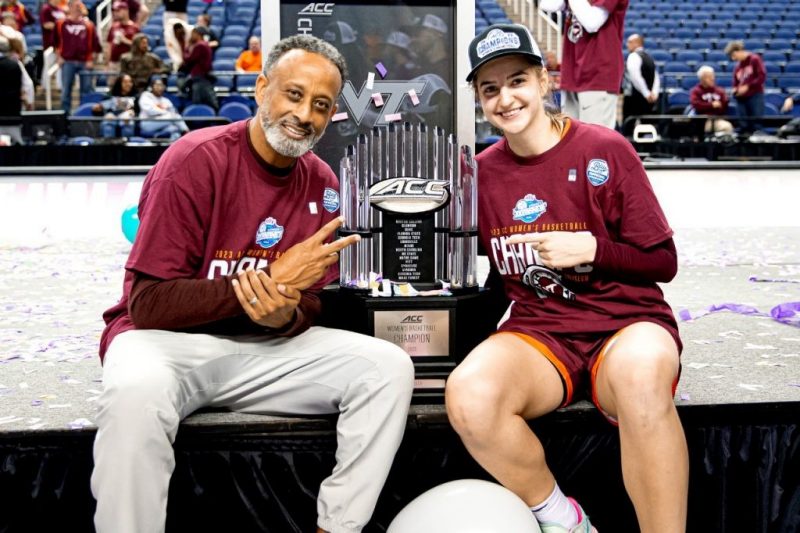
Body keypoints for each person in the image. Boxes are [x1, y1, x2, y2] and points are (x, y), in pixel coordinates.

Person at [91, 33, 414, 533]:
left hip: (261, 351)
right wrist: (264, 283)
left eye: (321, 105)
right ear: (263, 88)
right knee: (135, 390)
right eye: (294, 94)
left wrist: (285, 313)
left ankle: (338, 527)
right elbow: (149, 304)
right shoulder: (193, 160)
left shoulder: (324, 184)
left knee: (387, 368)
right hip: (166, 345)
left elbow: (310, 304)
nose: (305, 114)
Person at [447, 24, 687, 533]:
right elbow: (497, 279)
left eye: (517, 81)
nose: (506, 99)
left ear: (543, 81)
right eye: (490, 90)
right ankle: (566, 520)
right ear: (479, 100)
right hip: (544, 332)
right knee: (469, 393)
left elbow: (662, 260)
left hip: (626, 323)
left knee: (642, 379)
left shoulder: (605, 149)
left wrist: (595, 250)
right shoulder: (481, 173)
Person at [539, 0, 628, 129]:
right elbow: (547, 4)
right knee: (570, 138)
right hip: (572, 72)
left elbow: (592, 22)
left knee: (594, 140)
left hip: (598, 74)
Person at [54, 0, 100, 115]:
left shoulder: (88, 25)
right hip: (67, 61)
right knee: (66, 91)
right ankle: (65, 116)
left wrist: (91, 59)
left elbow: (96, 46)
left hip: (84, 61)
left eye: (80, 5)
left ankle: (84, 115)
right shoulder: (61, 23)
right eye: (76, 5)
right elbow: (55, 43)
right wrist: (58, 57)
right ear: (69, 7)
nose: (78, 8)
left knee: (86, 90)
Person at [724, 40, 766, 135]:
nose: (733, 58)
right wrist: (735, 89)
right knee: (744, 126)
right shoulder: (738, 67)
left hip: (755, 95)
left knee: (756, 124)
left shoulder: (754, 59)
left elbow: (761, 76)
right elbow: (735, 82)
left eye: (734, 55)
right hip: (741, 97)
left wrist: (748, 86)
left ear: (739, 50)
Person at [622, 33, 659, 137]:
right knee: (647, 125)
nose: (627, 45)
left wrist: (646, 93)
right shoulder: (649, 57)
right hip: (648, 99)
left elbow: (635, 77)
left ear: (636, 43)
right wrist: (654, 93)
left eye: (629, 42)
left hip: (634, 98)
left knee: (628, 125)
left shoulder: (633, 56)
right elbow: (656, 77)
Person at [137, 75, 187, 140]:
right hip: (147, 123)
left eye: (161, 85)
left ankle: (166, 143)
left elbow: (173, 111)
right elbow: (151, 111)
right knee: (174, 117)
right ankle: (186, 132)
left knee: (174, 130)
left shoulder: (165, 100)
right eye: (157, 85)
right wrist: (166, 113)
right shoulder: (146, 96)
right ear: (152, 86)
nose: (159, 88)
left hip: (163, 123)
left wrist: (166, 114)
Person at [179, 26, 217, 109]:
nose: (191, 35)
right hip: (202, 76)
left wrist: (185, 48)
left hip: (199, 76)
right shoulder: (205, 44)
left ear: (198, 34)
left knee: (198, 101)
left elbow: (188, 59)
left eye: (193, 33)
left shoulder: (200, 45)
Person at [689, 65, 734, 135]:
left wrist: (719, 106)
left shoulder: (720, 91)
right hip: (702, 121)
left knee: (727, 127)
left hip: (717, 119)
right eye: (708, 77)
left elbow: (724, 104)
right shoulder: (695, 91)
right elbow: (696, 105)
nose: (712, 78)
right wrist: (711, 105)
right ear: (702, 79)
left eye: (712, 76)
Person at [93, 72, 138, 138]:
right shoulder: (110, 95)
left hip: (127, 121)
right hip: (112, 119)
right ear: (119, 83)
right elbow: (101, 111)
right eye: (125, 82)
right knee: (108, 123)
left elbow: (140, 113)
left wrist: (134, 113)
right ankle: (109, 145)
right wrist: (97, 109)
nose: (128, 84)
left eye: (130, 82)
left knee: (127, 121)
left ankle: (127, 145)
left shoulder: (136, 97)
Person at [105, 1, 139, 86]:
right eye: (114, 11)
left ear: (126, 10)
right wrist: (107, 63)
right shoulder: (113, 27)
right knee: (112, 87)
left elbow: (138, 47)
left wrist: (125, 40)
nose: (115, 13)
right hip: (114, 63)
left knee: (128, 86)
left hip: (129, 64)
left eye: (118, 11)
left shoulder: (134, 28)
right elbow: (109, 46)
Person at [412, 13, 449, 83]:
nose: (414, 39)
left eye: (418, 34)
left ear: (437, 33)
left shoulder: (449, 70)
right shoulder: (424, 67)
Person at [0, 35, 24, 144]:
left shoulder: (14, 65)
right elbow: (26, 86)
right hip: (13, 111)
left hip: (10, 112)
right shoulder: (15, 65)